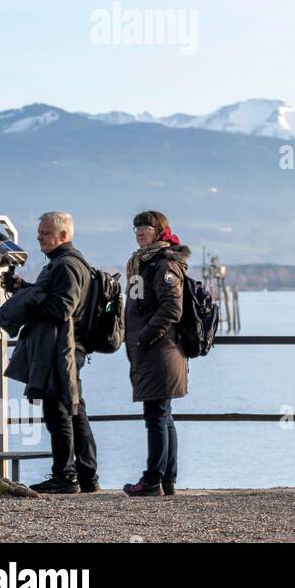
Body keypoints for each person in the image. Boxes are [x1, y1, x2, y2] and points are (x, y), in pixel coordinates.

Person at [1, 212, 98, 494]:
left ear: (63, 236)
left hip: (62, 348)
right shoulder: (65, 263)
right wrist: (26, 289)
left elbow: (63, 307)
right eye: (39, 232)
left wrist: (28, 302)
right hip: (67, 346)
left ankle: (65, 477)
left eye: (45, 232)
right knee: (74, 408)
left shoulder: (66, 265)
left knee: (59, 410)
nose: (39, 237)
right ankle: (86, 475)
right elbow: (55, 297)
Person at [122, 211, 190, 497]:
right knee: (164, 416)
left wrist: (144, 336)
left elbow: (172, 309)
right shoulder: (143, 263)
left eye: (146, 227)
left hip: (160, 351)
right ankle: (167, 480)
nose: (140, 231)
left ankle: (152, 480)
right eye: (137, 226)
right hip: (151, 351)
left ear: (160, 231)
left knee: (156, 416)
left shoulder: (163, 265)